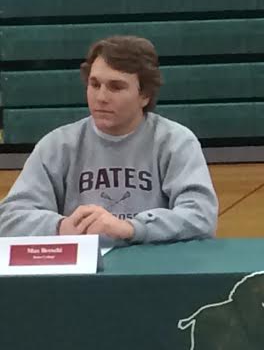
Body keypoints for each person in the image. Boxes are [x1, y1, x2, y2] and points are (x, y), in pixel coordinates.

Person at [0, 35, 218, 244]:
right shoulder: (57, 145)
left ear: (145, 95)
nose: (101, 97)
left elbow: (201, 216)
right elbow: (9, 219)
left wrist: (132, 228)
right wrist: (61, 227)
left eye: (116, 87)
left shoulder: (175, 142)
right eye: (95, 84)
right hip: (80, 274)